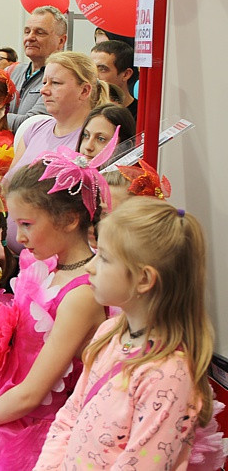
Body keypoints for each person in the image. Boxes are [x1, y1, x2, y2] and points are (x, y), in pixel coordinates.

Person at [36, 198, 220, 470]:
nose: (90, 267)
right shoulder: (109, 332)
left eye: (104, 258)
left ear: (144, 279)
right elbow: (71, 415)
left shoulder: (168, 374)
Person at [0, 149, 111, 470]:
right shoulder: (46, 265)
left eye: (27, 224)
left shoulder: (82, 294)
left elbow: (33, 392)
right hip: (11, 413)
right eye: (16, 224)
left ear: (69, 219)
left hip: (42, 436)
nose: (20, 237)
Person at [5, 51, 108, 254]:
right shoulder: (35, 128)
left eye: (55, 83)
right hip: (13, 256)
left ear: (84, 91)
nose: (44, 90)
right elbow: (7, 185)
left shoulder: (92, 141)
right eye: (44, 82)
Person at [7, 6, 68, 131]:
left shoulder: (64, 79)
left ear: (61, 41)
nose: (30, 37)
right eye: (27, 31)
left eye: (40, 33)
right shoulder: (11, 72)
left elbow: (31, 125)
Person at [91, 40, 137, 118]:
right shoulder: (83, 110)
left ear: (126, 74)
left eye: (102, 69)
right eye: (91, 68)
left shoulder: (140, 116)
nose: (94, 75)